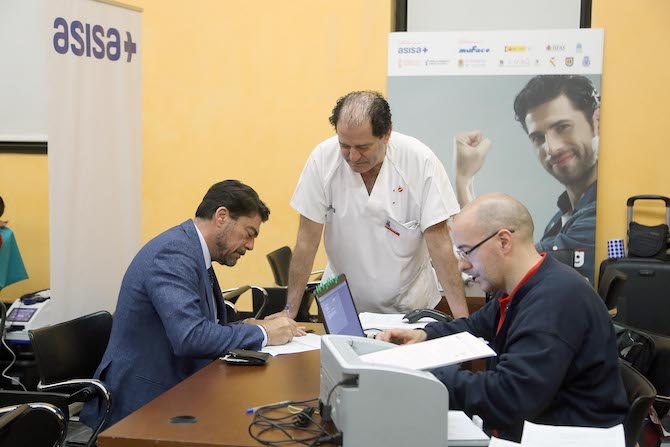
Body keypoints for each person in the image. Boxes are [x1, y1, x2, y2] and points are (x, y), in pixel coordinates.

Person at [377, 193, 627, 442]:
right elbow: (474, 325)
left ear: (504, 241)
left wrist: (424, 378)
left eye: (466, 252)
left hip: (563, 437)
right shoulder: (524, 287)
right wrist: (424, 334)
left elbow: (511, 397)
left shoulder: (555, 301)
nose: (462, 265)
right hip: (535, 425)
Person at [81, 180, 304, 429]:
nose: (251, 245)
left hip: (177, 386)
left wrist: (251, 324)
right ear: (221, 216)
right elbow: (190, 337)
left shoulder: (192, 251)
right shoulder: (173, 254)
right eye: (249, 233)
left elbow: (202, 324)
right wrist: (263, 333)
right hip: (141, 404)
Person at [282, 91, 467, 318]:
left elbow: (440, 246)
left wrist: (463, 321)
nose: (353, 156)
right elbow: (306, 243)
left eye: (363, 147)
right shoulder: (322, 160)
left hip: (408, 306)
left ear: (386, 134)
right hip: (343, 305)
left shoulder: (420, 161)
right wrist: (289, 312)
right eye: (344, 145)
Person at [454, 75, 600, 283]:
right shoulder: (562, 217)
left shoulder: (595, 217)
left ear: (597, 121)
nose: (552, 148)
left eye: (562, 127)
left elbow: (511, 264)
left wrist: (463, 179)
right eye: (538, 138)